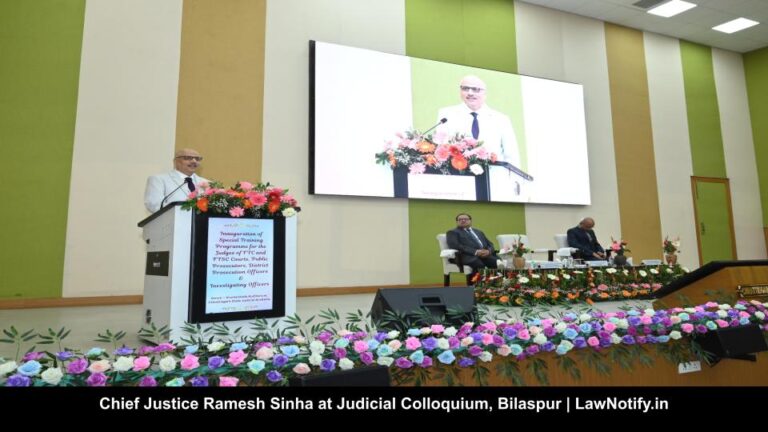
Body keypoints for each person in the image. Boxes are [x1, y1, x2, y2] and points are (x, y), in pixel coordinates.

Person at [436, 75, 520, 168]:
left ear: (485, 93)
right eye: (465, 88)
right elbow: (441, 149)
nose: (470, 93)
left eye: (476, 89)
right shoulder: (447, 115)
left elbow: (512, 156)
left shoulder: (501, 119)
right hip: (459, 176)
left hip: (494, 177)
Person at [144, 148, 209, 213]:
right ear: (176, 161)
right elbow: (154, 205)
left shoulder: (208, 183)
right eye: (188, 158)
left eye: (197, 159)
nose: (194, 161)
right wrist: (183, 211)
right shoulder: (159, 180)